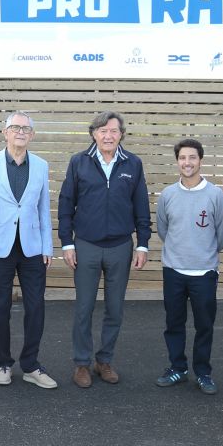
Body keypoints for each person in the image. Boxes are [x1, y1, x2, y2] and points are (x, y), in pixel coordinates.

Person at [58, 111, 151, 388]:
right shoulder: (79, 162)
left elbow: (141, 206)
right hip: (86, 245)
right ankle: (82, 364)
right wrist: (67, 242)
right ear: (93, 134)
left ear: (121, 133)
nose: (108, 136)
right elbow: (65, 204)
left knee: (115, 308)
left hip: (120, 247)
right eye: (102, 131)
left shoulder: (132, 163)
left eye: (113, 131)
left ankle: (105, 360)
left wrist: (143, 243)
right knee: (84, 308)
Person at [0, 111, 57, 389]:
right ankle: (4, 363)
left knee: (36, 307)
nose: (20, 132)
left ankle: (31, 365)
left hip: (32, 248)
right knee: (0, 307)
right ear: (5, 132)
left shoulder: (41, 166)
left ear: (31, 135)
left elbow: (43, 208)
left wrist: (47, 246)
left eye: (26, 128)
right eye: (15, 127)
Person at [155, 139, 223, 395]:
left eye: (192, 158)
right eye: (182, 158)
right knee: (174, 323)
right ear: (177, 161)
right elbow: (164, 230)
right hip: (174, 270)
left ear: (200, 160)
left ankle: (203, 372)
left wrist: (203, 252)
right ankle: (177, 367)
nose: (187, 162)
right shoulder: (167, 195)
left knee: (204, 325)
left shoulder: (215, 195)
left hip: (204, 272)